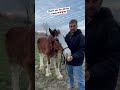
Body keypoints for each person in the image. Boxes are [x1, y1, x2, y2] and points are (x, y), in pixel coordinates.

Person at [85, 0, 120, 90]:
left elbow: (113, 58)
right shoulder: (82, 23)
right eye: (87, 1)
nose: (90, 5)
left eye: (94, 1)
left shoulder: (111, 26)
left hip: (102, 83)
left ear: (101, 1)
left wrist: (91, 72)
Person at [65, 19, 85, 90]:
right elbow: (65, 46)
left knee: (79, 78)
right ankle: (72, 85)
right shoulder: (67, 35)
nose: (72, 28)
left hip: (77, 61)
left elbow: (82, 50)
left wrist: (73, 56)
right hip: (68, 61)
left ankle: (82, 88)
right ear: (69, 27)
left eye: (74, 26)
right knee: (70, 75)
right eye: (71, 26)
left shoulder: (81, 36)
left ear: (77, 26)